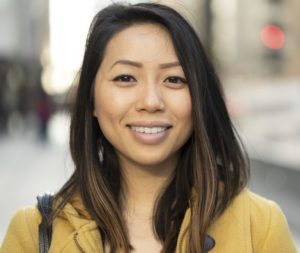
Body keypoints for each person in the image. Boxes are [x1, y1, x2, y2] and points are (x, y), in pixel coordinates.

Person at [0, 2, 297, 253]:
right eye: (126, 78)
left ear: (198, 98)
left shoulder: (259, 227)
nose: (151, 101)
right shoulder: (35, 233)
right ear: (90, 99)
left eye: (174, 79)